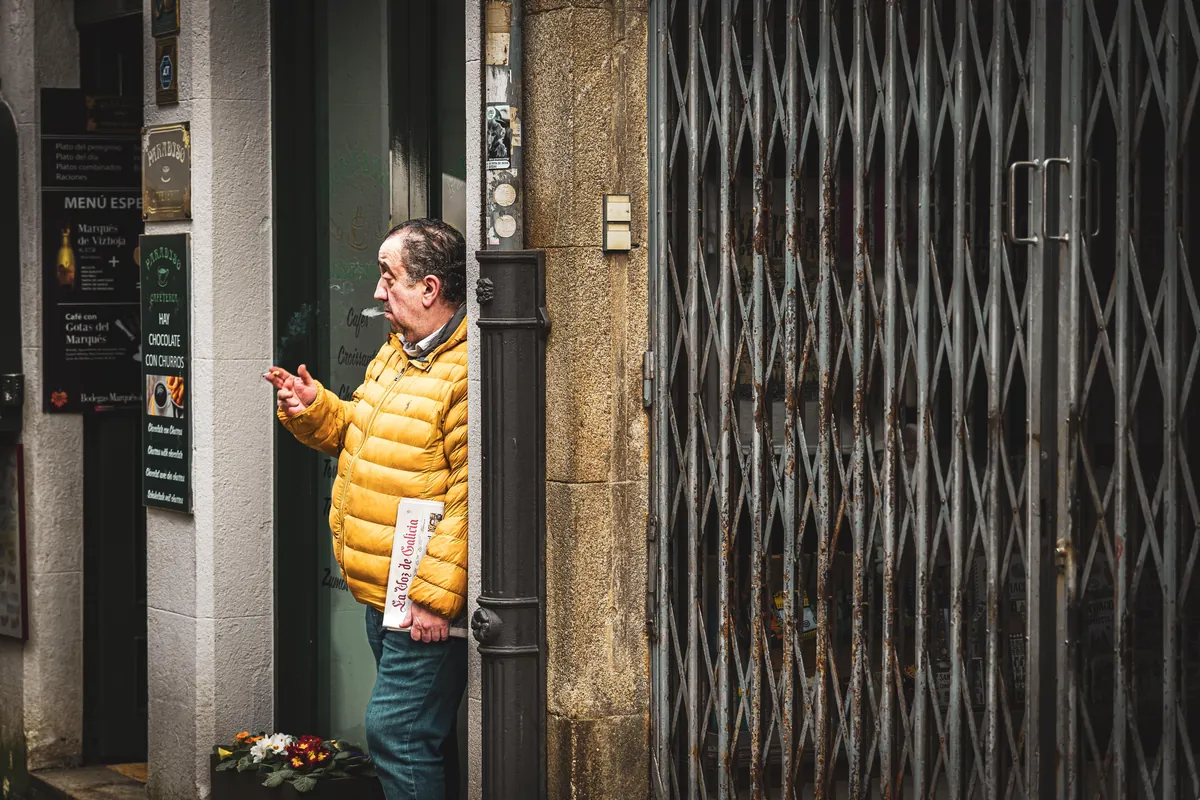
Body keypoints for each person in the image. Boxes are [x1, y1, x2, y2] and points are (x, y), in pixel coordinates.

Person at [265, 218, 468, 800]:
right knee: (418, 737)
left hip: (420, 604)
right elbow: (360, 432)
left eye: (388, 277)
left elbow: (469, 493)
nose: (378, 293)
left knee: (396, 734)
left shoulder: (463, 373)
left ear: (429, 289)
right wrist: (314, 408)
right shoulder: (397, 355)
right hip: (385, 594)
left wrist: (432, 598)